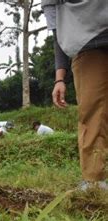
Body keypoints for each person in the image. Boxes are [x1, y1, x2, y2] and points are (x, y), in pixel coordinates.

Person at [43, 0, 107, 190]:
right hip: (87, 48)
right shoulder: (51, 2)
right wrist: (59, 78)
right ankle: (95, 181)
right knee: (93, 112)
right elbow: (59, 34)